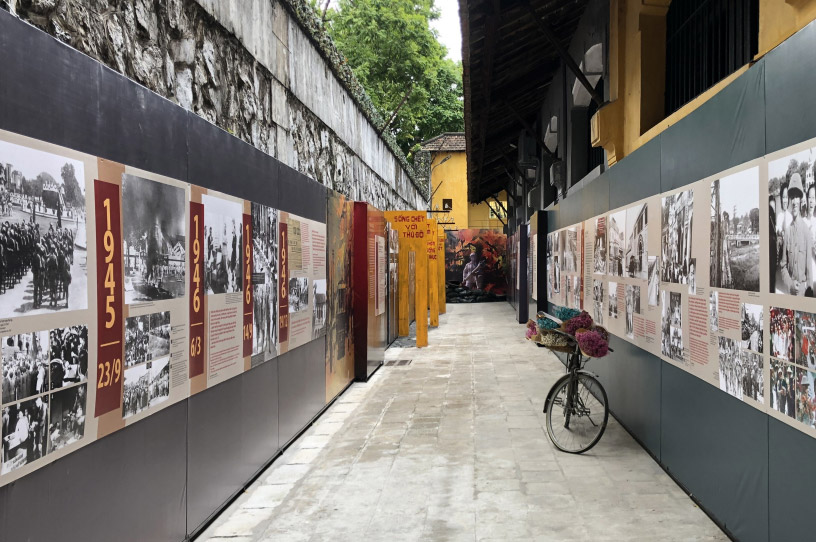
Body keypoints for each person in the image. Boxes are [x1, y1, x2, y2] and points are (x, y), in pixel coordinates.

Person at [779, 174, 813, 296]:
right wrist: (790, 284)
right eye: (791, 197)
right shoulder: (787, 232)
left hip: (803, 294)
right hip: (790, 293)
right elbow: (783, 266)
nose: (794, 202)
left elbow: (809, 272)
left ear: (800, 199)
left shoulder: (806, 232)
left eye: (796, 197)